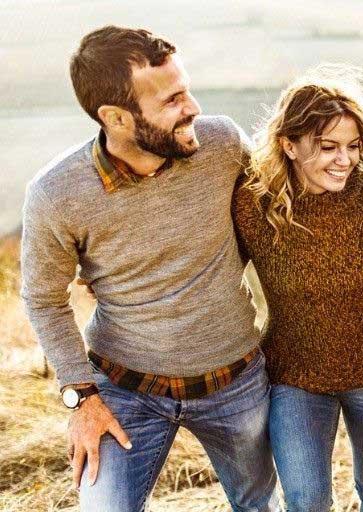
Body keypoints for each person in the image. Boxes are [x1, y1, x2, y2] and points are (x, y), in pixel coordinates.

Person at [20, 26, 279, 511]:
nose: (193, 107)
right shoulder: (57, 194)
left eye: (186, 89)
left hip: (237, 382)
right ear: (116, 117)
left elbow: (278, 216)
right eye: (173, 99)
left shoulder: (222, 144)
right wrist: (82, 398)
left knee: (258, 505)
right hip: (123, 391)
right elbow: (42, 299)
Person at [232, 64, 363, 512]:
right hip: (294, 376)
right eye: (328, 147)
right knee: (307, 500)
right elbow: (215, 267)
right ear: (288, 145)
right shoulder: (254, 206)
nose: (345, 159)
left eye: (353, 146)